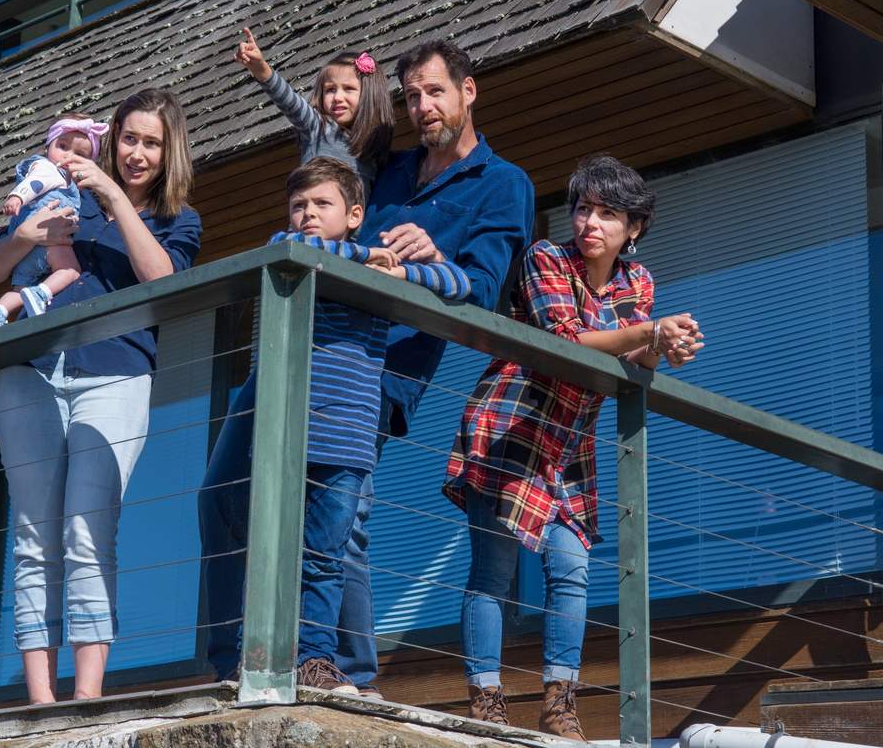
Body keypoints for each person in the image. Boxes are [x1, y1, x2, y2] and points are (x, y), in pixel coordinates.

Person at [443, 155, 703, 738]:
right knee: (494, 569)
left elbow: (630, 356)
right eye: (583, 209)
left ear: (634, 227)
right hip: (511, 424)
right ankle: (486, 704)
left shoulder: (638, 282)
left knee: (572, 569)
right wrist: (651, 332)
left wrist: (665, 349)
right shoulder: (546, 259)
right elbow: (568, 340)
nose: (590, 223)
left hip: (569, 442)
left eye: (607, 213)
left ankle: (560, 705)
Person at [198, 157, 471, 692]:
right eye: (298, 204)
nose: (307, 213)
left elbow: (458, 282)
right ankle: (246, 658)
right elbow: (292, 245)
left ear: (354, 215)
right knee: (271, 546)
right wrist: (370, 255)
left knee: (324, 555)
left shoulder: (377, 278)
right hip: (283, 434)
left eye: (322, 204)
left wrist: (403, 271)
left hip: (347, 438)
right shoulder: (299, 254)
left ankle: (315, 659)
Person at [0, 89, 201, 704]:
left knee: (88, 530)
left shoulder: (178, 218)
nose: (137, 153)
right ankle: (41, 702)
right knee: (33, 537)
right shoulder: (63, 194)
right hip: (30, 370)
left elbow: (163, 280)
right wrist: (25, 234)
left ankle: (86, 699)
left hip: (115, 373)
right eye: (128, 139)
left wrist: (114, 197)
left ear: (169, 152)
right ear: (112, 140)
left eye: (151, 143)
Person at [337, 39, 535, 696]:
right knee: (229, 497)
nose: (422, 106)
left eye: (434, 91)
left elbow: (484, 288)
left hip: (382, 366)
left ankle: (347, 674)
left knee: (341, 511)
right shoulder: (387, 171)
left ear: (467, 91)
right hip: (314, 338)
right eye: (412, 96)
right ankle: (242, 658)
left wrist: (431, 260)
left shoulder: (503, 184)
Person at [0, 117, 110, 330]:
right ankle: (41, 293)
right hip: (50, 244)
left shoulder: (74, 187)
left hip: (26, 257)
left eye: (80, 155)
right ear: (48, 146)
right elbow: (35, 183)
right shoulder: (50, 170)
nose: (68, 156)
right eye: (63, 146)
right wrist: (17, 198)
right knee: (70, 270)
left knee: (20, 289)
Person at [234, 27, 393, 198]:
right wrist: (261, 69)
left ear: (369, 96)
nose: (337, 97)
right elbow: (289, 102)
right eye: (330, 90)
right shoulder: (319, 127)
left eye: (348, 89)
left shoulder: (373, 152)